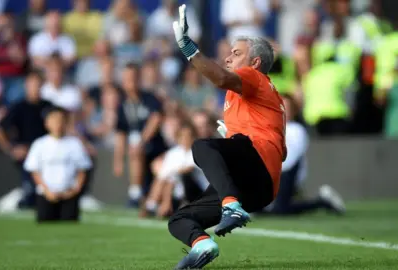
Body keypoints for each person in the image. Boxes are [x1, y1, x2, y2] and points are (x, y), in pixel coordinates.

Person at [169, 5, 286, 269]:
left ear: (255, 62)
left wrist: (189, 48)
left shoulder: (254, 77)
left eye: (236, 53)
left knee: (201, 146)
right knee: (179, 220)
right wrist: (235, 137)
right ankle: (202, 244)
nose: (228, 58)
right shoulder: (261, 98)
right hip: (259, 188)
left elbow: (220, 78)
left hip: (255, 168)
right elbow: (283, 151)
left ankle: (231, 205)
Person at [263, 94, 345, 215]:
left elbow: (289, 160)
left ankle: (323, 201)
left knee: (280, 210)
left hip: (286, 176)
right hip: (271, 176)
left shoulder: (297, 130)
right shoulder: (268, 129)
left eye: (287, 107)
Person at [23, 106, 92, 222]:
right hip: (47, 195)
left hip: (68, 194)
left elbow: (82, 169)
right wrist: (47, 191)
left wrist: (74, 190)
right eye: (54, 120)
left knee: (69, 222)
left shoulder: (75, 144)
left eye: (60, 120)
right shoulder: (40, 144)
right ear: (47, 123)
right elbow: (34, 171)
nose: (57, 124)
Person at [0, 70, 51, 208]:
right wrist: (11, 149)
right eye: (32, 84)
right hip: (28, 156)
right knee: (31, 196)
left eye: (38, 84)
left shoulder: (49, 107)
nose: (35, 87)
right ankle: (20, 198)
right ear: (26, 85)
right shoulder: (19, 107)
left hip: (48, 156)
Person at [113, 63, 167, 207]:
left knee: (136, 144)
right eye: (128, 78)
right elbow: (121, 134)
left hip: (155, 148)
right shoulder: (122, 105)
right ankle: (135, 192)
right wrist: (118, 160)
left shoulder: (150, 98)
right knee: (134, 146)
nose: (131, 81)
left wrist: (142, 141)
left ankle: (137, 194)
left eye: (134, 78)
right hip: (135, 151)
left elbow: (156, 119)